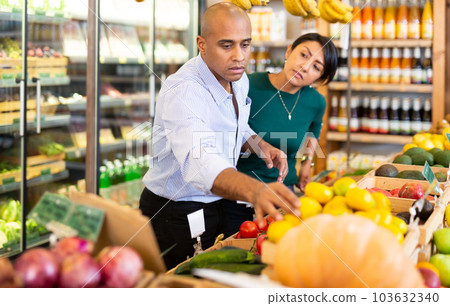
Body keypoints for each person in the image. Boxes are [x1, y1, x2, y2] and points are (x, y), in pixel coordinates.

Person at [139, 2, 300, 270]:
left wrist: (259, 145)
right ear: (201, 43)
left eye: (245, 44)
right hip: (175, 212)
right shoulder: (184, 90)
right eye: (227, 45)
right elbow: (200, 161)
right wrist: (256, 190)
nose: (239, 56)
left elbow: (234, 125)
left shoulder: (238, 78)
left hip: (216, 203)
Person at [237, 33, 338, 198]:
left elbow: (315, 128)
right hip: (241, 190)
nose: (305, 67)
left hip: (284, 191)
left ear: (319, 78)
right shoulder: (248, 85)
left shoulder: (316, 102)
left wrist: (307, 163)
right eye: (303, 55)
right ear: (289, 51)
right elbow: (227, 132)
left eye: (316, 67)